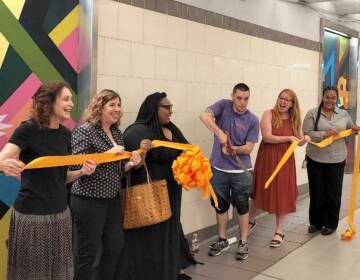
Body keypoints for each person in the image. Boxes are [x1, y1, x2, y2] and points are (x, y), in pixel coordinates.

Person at [0, 81, 96, 280]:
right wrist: (3, 165)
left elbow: (62, 177)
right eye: (66, 99)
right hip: (32, 216)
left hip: (60, 214)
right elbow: (2, 159)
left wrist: (81, 173)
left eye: (71, 99)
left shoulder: (65, 134)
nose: (71, 104)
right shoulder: (27, 129)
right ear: (50, 102)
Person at [117, 92, 192, 280]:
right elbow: (130, 163)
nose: (171, 111)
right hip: (149, 194)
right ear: (154, 108)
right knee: (150, 235)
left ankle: (170, 270)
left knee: (170, 229)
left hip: (172, 190)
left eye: (171, 107)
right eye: (166, 107)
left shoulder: (171, 129)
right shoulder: (138, 131)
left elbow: (186, 149)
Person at [70, 89, 142, 280]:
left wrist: (129, 164)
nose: (117, 108)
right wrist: (108, 154)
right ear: (99, 107)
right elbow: (76, 163)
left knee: (114, 247)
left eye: (119, 104)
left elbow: (116, 170)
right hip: (88, 199)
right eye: (112, 105)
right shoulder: (85, 130)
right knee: (87, 253)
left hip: (111, 199)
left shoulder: (117, 132)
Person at [199, 83, 259, 260]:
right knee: (220, 205)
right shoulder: (223, 106)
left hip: (241, 171)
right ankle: (222, 239)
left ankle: (243, 242)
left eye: (246, 99)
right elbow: (204, 115)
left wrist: (233, 149)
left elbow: (248, 149)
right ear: (232, 96)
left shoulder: (253, 120)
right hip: (218, 169)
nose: (242, 102)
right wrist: (219, 133)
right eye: (239, 98)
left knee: (242, 205)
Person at [249, 89, 308, 247]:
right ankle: (250, 220)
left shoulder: (294, 119)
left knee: (282, 193)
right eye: (281, 98)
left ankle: (279, 231)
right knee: (259, 190)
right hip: (267, 159)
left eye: (287, 100)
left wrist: (305, 139)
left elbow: (299, 140)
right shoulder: (269, 114)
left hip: (284, 161)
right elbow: (267, 137)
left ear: (292, 104)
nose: (282, 102)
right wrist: (288, 138)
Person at [303, 86, 360, 235]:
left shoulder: (343, 114)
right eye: (327, 97)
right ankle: (315, 222)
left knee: (333, 193)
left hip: (337, 159)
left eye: (333, 98)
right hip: (315, 158)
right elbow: (306, 133)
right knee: (316, 191)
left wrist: (355, 129)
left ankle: (330, 223)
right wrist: (325, 134)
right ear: (322, 97)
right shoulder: (312, 113)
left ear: (337, 99)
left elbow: (350, 130)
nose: (330, 100)